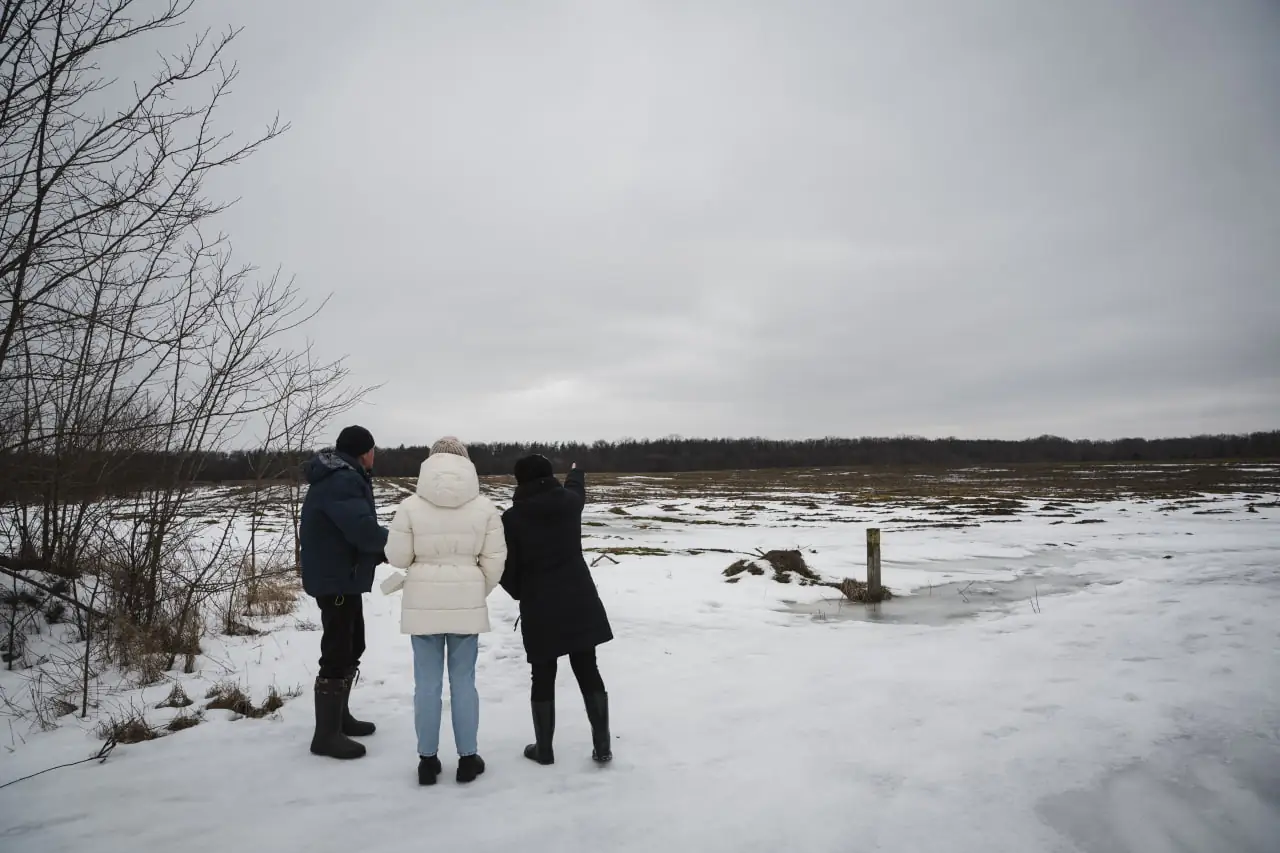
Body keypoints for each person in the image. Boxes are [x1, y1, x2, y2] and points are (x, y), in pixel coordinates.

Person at [381, 437, 506, 786]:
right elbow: (495, 560)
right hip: (465, 602)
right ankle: (468, 759)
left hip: (423, 604)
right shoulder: (485, 508)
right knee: (464, 682)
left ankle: (427, 760)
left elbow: (397, 558)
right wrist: (474, 589)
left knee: (426, 684)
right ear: (467, 464)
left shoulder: (409, 507)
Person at [500, 454, 614, 765]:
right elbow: (576, 488)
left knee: (542, 673)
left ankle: (544, 750)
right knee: (587, 668)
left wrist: (521, 592)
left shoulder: (511, 519)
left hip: (540, 603)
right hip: (579, 597)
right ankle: (602, 746)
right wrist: (578, 472)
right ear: (549, 476)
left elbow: (506, 569)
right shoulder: (569, 503)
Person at [299, 425, 389, 760]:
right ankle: (326, 735)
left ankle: (340, 718)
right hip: (335, 578)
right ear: (366, 451)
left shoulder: (344, 475)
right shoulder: (343, 480)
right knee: (338, 649)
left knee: (354, 643)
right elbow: (361, 530)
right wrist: (396, 544)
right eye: (373, 450)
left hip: (342, 576)